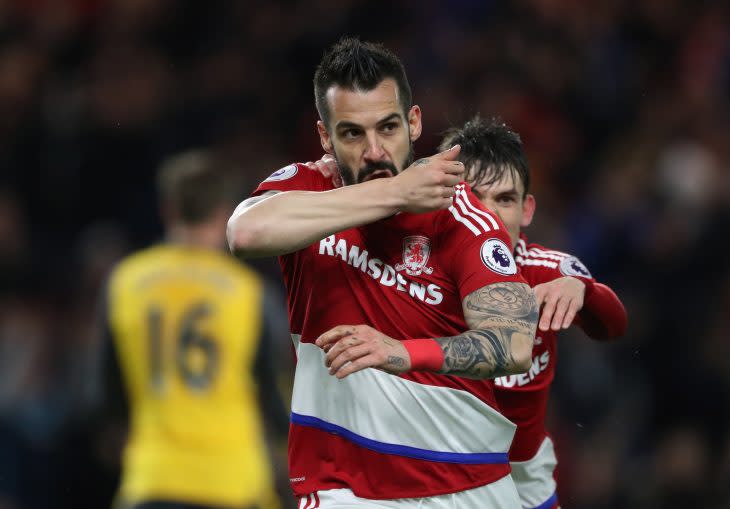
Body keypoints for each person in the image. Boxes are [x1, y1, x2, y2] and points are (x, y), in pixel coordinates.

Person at [227, 38, 539, 508]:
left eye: (388, 128)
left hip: (469, 486)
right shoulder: (306, 189)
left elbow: (513, 343)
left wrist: (403, 352)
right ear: (325, 137)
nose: (374, 151)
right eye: (352, 134)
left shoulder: (462, 216)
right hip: (342, 491)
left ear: (414, 123)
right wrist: (395, 194)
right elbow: (244, 233)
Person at [439, 116, 628, 509]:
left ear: (527, 209)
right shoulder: (416, 270)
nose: (488, 215)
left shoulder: (546, 269)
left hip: (523, 479)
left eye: (504, 199)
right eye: (473, 197)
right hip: (438, 470)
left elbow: (614, 325)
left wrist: (583, 289)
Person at [100, 150, 287, 509]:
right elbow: (274, 401)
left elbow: (107, 400)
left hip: (153, 481)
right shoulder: (249, 294)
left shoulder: (124, 282)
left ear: (167, 208)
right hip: (234, 484)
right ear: (223, 214)